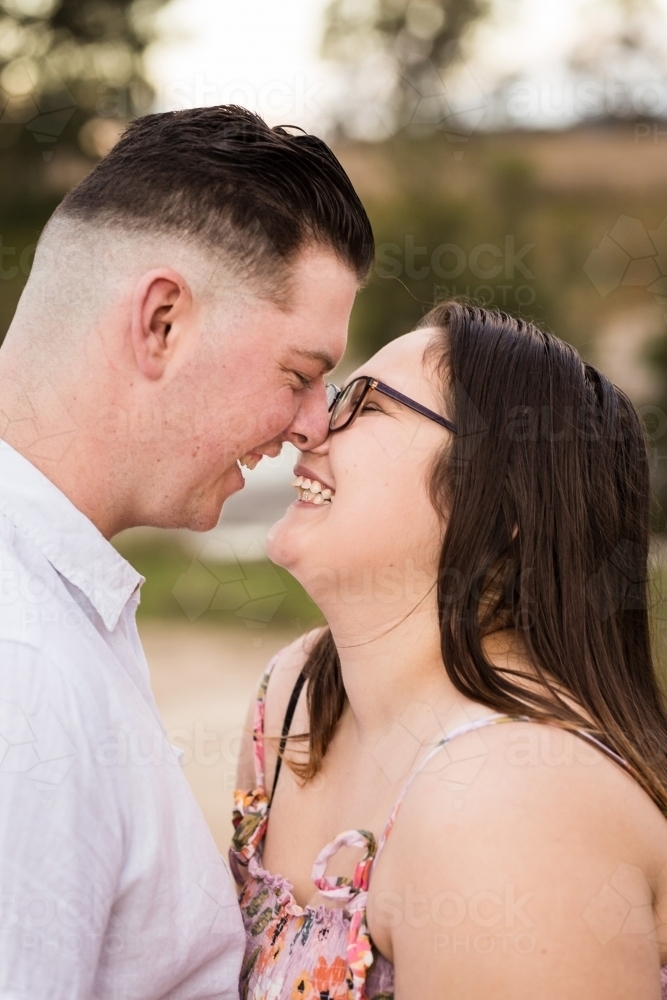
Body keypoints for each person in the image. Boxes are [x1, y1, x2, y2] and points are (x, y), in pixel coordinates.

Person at [0, 105, 373, 998]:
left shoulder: (53, 605)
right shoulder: (25, 669)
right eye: (298, 373)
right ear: (162, 321)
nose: (314, 423)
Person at [231, 301, 667, 999]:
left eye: (365, 404)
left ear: (502, 506)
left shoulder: (514, 809)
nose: (306, 424)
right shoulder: (296, 693)